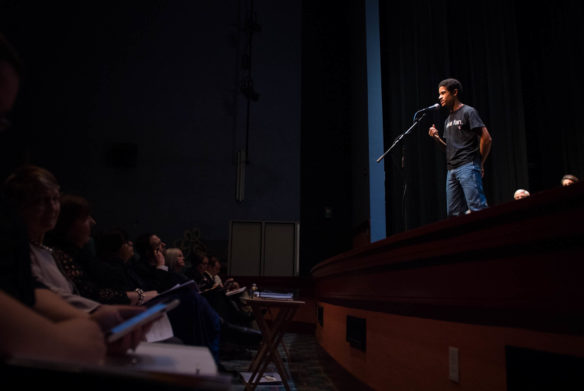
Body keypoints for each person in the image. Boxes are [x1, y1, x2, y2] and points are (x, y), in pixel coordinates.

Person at [1, 164, 149, 362]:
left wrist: (94, 318)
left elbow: (32, 289)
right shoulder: (24, 246)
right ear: (16, 207)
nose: (52, 207)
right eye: (40, 201)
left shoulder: (47, 250)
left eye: (54, 199)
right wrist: (91, 318)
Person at [428, 78, 492, 216]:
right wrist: (437, 138)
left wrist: (480, 162)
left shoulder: (468, 112)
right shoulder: (447, 120)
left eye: (443, 93)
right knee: (453, 213)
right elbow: (449, 149)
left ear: (454, 92)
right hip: (451, 170)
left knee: (477, 207)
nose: (440, 97)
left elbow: (486, 138)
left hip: (468, 165)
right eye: (439, 94)